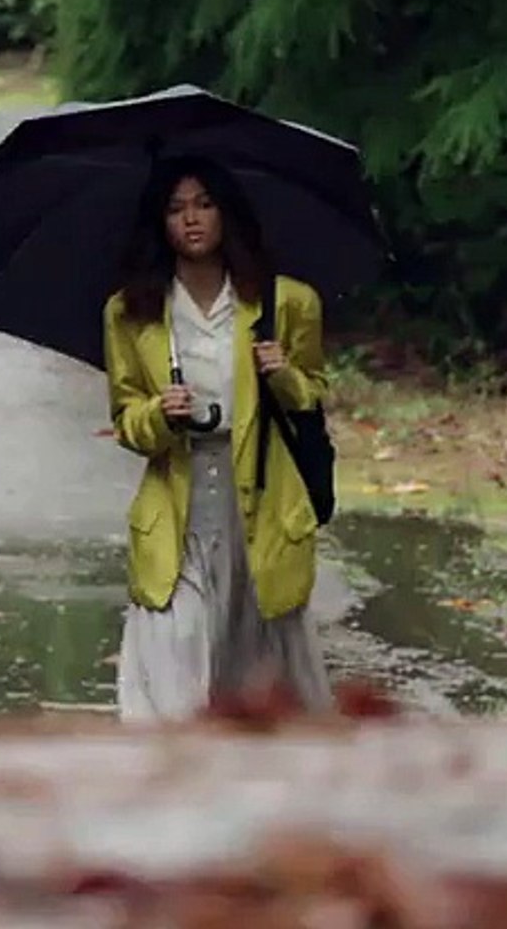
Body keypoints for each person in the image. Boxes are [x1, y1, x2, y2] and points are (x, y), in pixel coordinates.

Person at [101, 153, 333, 722]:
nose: (191, 219)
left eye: (204, 204)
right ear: (159, 222)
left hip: (261, 492)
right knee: (173, 638)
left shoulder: (286, 302)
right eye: (175, 208)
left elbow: (312, 395)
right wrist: (160, 413)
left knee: (257, 653)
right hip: (177, 498)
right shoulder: (130, 312)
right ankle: (173, 757)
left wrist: (282, 375)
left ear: (227, 212)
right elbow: (127, 419)